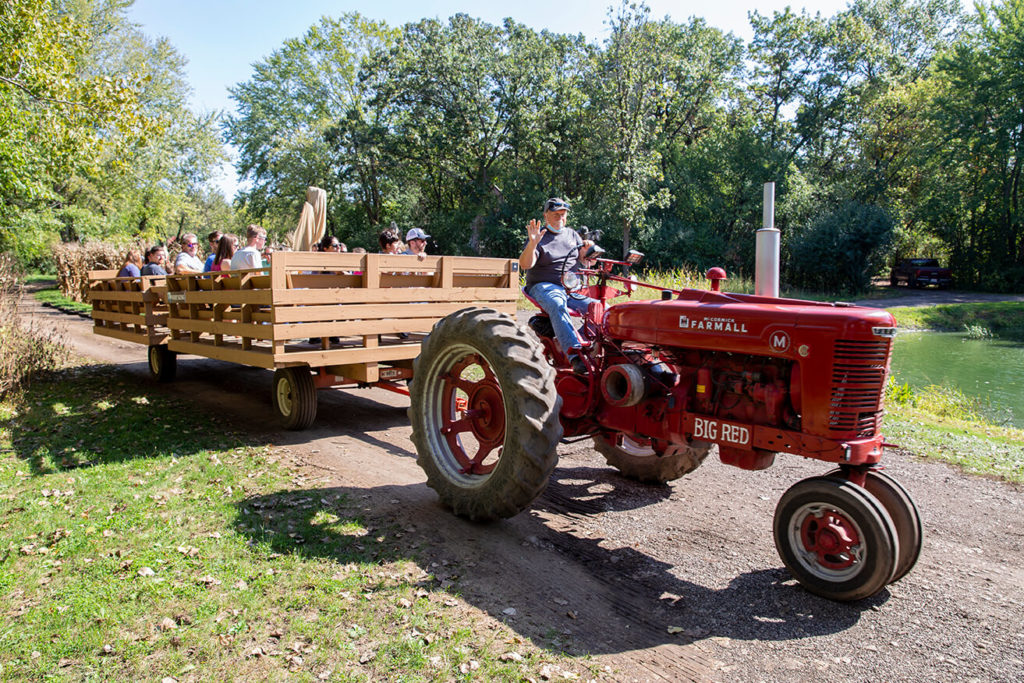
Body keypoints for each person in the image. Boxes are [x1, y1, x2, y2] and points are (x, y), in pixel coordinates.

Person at [519, 197, 597, 374]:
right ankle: (574, 354)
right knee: (557, 304)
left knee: (600, 308)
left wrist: (588, 251)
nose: (560, 218)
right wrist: (532, 244)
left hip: (570, 289)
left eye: (563, 214)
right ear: (546, 216)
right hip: (544, 285)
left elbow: (584, 260)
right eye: (556, 215)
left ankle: (578, 343)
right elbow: (525, 264)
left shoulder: (572, 235)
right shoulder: (540, 237)